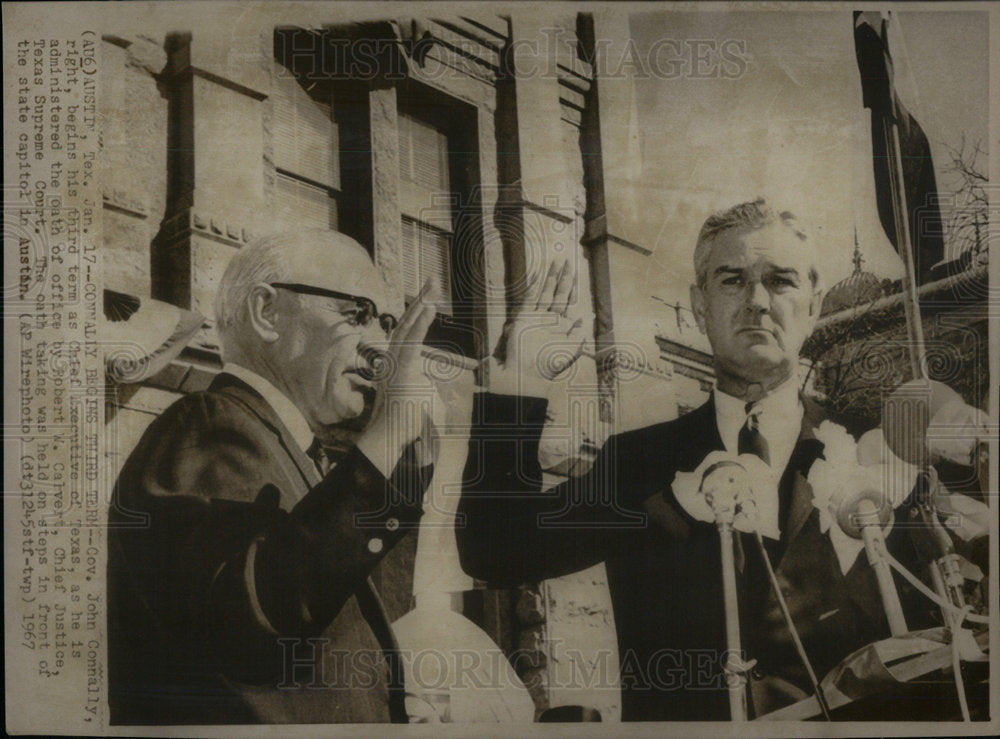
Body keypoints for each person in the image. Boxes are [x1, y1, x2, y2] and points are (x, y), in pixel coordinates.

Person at [457, 199, 930, 720]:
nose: (756, 301)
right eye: (731, 280)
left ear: (814, 305)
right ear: (700, 303)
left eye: (781, 281)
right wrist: (517, 397)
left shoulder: (882, 452)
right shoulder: (639, 462)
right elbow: (492, 549)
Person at [108, 229, 441, 724]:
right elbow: (246, 619)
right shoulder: (208, 422)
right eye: (359, 314)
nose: (379, 346)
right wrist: (389, 433)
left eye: (388, 324)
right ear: (267, 313)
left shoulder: (296, 454)